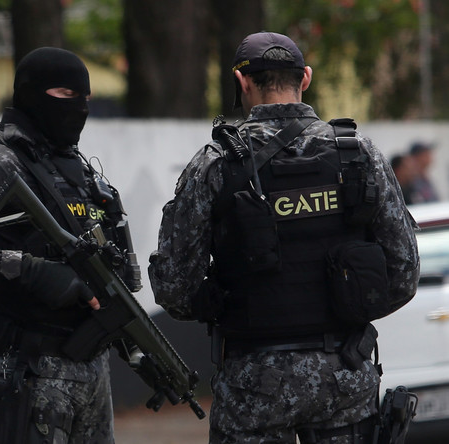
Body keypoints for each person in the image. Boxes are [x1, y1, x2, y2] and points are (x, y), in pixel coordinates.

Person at [149, 32, 420, 444]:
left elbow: (173, 290)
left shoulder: (216, 164)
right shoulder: (358, 153)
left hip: (252, 383)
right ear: (305, 78)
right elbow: (403, 273)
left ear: (242, 83)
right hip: (345, 377)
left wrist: (225, 303)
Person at [0, 47, 140, 444]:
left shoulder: (78, 170)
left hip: (89, 369)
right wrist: (31, 270)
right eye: (65, 96)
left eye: (85, 99)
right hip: (28, 366)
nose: (79, 108)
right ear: (31, 94)